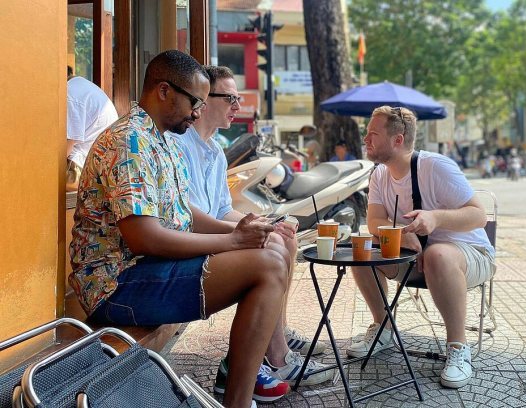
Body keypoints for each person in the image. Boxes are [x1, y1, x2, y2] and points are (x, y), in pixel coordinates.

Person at [69, 50, 285, 408]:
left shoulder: (164, 139)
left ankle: (240, 387)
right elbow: (145, 237)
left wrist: (241, 231)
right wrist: (231, 240)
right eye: (194, 102)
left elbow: (182, 211)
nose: (198, 112)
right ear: (164, 91)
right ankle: (239, 400)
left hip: (144, 271)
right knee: (268, 264)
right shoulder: (129, 141)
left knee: (272, 250)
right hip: (114, 284)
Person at [170, 66, 332, 401]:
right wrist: (244, 230)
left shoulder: (214, 150)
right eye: (229, 97)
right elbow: (187, 215)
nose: (236, 106)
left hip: (209, 236)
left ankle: (274, 347)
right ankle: (271, 356)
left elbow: (221, 209)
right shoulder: (176, 142)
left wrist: (261, 220)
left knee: (283, 235)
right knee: (271, 247)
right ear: (202, 99)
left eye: (238, 98)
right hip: (191, 244)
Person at [348, 106, 495, 389]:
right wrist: (402, 236)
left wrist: (435, 217)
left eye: (373, 134)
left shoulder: (435, 166)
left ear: (398, 140)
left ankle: (457, 347)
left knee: (439, 254)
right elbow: (375, 221)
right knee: (363, 247)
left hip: (468, 255)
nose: (366, 139)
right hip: (413, 258)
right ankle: (383, 328)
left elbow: (479, 215)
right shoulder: (379, 175)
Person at [66, 66, 119, 191]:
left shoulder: (69, 94)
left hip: (81, 170)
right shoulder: (80, 85)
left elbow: (65, 147)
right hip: (102, 169)